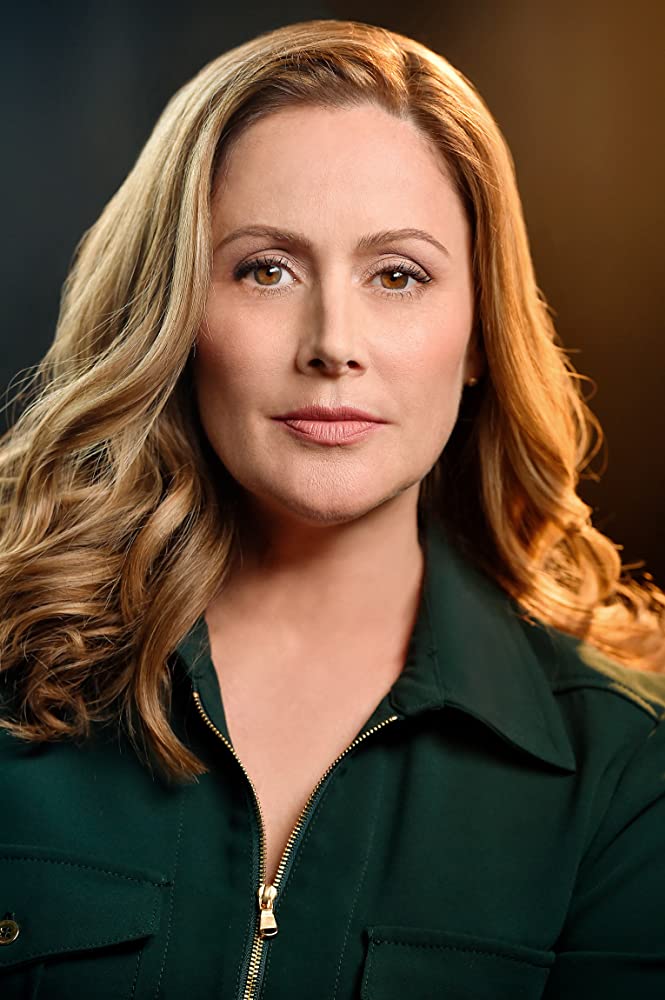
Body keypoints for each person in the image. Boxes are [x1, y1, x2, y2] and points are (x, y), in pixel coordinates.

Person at [1, 17, 665, 999]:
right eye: (265, 268)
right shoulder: (13, 670)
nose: (332, 344)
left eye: (397, 275)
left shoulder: (624, 764)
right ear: (175, 313)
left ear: (479, 333)